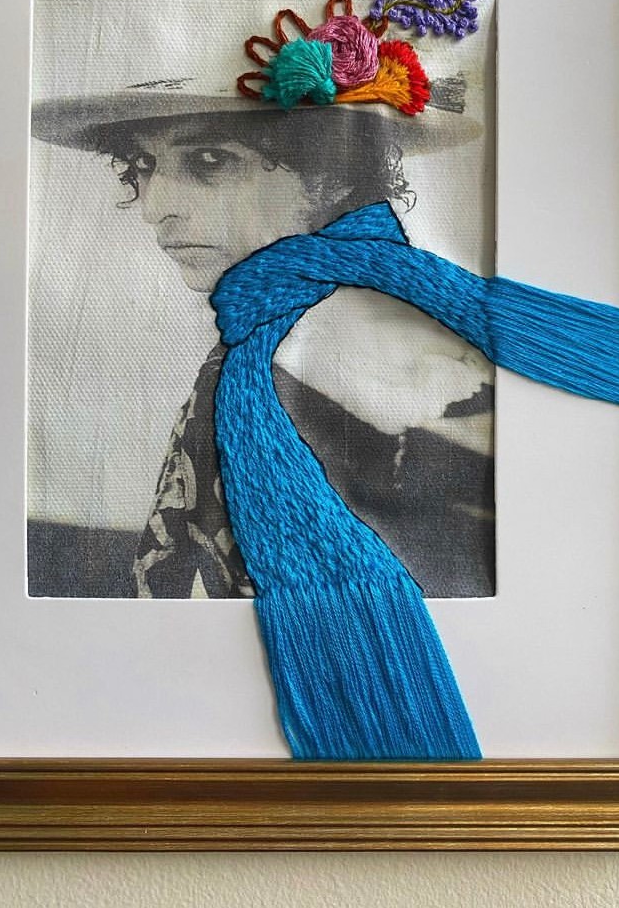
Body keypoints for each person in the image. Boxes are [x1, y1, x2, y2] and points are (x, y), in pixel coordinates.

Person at [30, 102, 497, 600]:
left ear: (333, 173)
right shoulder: (270, 331)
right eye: (144, 164)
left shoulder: (366, 357)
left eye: (210, 160)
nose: (154, 207)